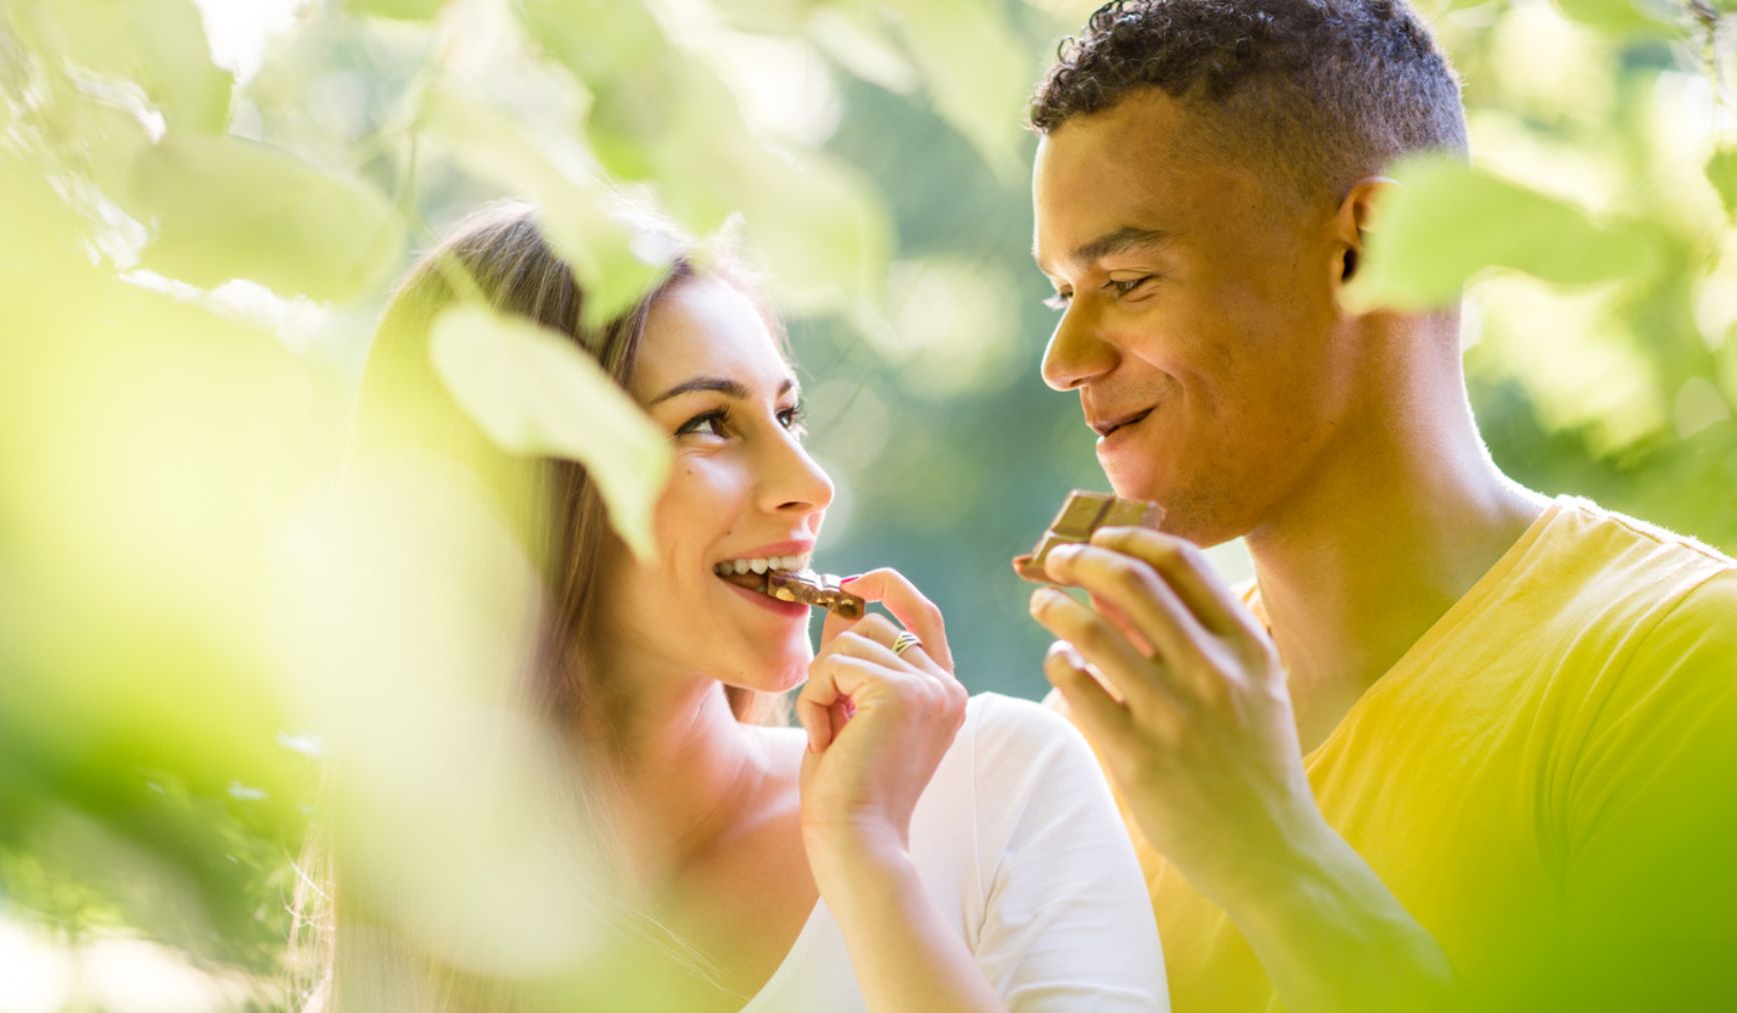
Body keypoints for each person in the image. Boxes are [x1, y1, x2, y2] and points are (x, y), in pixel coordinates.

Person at [1019, 2, 1737, 1011]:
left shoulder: (1681, 668)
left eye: (1128, 281)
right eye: (1062, 294)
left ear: (1369, 245)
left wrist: (1276, 859)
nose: (1064, 361)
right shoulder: (1108, 728)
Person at [324, 202, 1169, 1011]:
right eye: (707, 424)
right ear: (524, 487)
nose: (812, 484)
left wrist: (868, 855)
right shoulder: (424, 914)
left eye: (788, 414)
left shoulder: (996, 787)